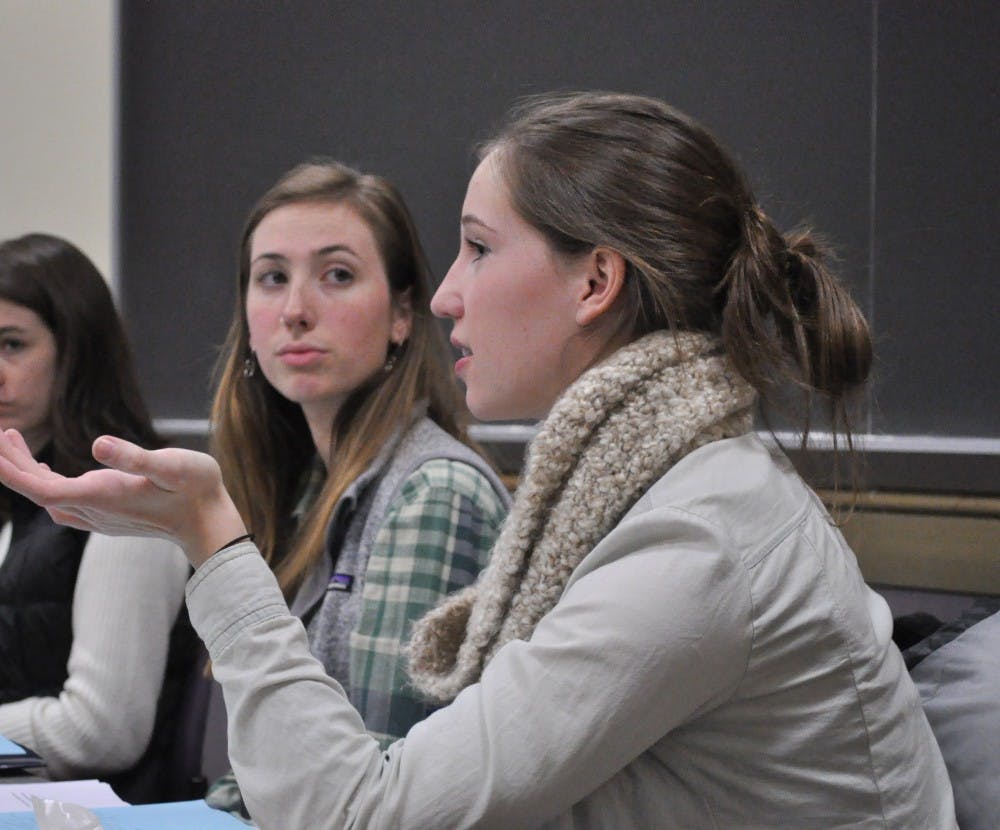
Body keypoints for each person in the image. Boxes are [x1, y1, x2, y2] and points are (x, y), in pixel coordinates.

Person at [0, 94, 958, 828]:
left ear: (596, 280)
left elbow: (361, 811)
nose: (452, 296)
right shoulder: (659, 489)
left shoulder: (698, 534)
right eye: (269, 279)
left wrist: (211, 541)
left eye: (475, 249)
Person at [203, 161, 511, 817]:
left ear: (402, 314)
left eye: (336, 275)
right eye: (272, 278)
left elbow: (373, 788)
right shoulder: (301, 484)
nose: (294, 311)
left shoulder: (433, 493)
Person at [0, 233, 192, 800]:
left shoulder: (129, 498)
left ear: (77, 351)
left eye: (12, 345)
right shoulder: (17, 497)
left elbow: (101, 730)